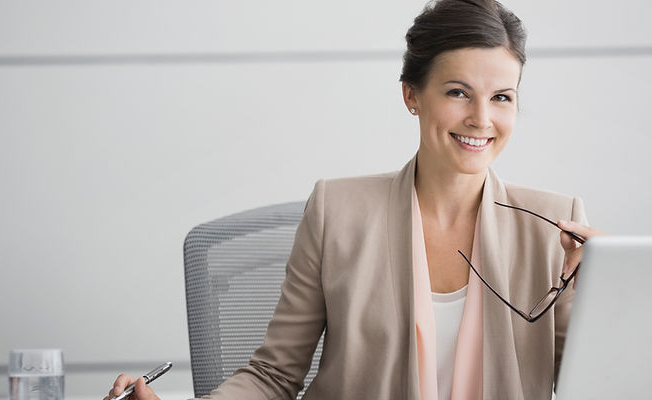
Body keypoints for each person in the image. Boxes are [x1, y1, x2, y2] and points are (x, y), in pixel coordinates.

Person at [105, 0, 605, 398]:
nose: (481, 118)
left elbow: (593, 385)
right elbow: (275, 376)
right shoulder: (336, 211)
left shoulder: (554, 225)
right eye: (457, 92)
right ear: (412, 95)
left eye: (502, 97)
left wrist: (613, 301)